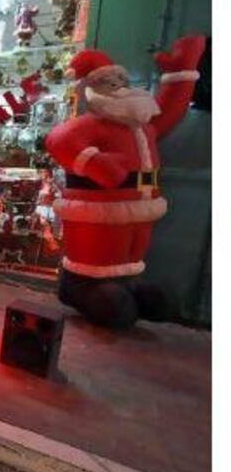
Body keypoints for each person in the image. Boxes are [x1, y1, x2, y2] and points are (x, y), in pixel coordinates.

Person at [45, 35, 205, 328]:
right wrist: (94, 162)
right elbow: (59, 140)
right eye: (110, 84)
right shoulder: (90, 125)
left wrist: (181, 74)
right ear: (91, 92)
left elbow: (171, 108)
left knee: (129, 251)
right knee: (102, 249)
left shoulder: (144, 126)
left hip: (142, 206)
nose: (120, 90)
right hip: (100, 211)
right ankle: (83, 287)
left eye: (121, 82)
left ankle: (126, 285)